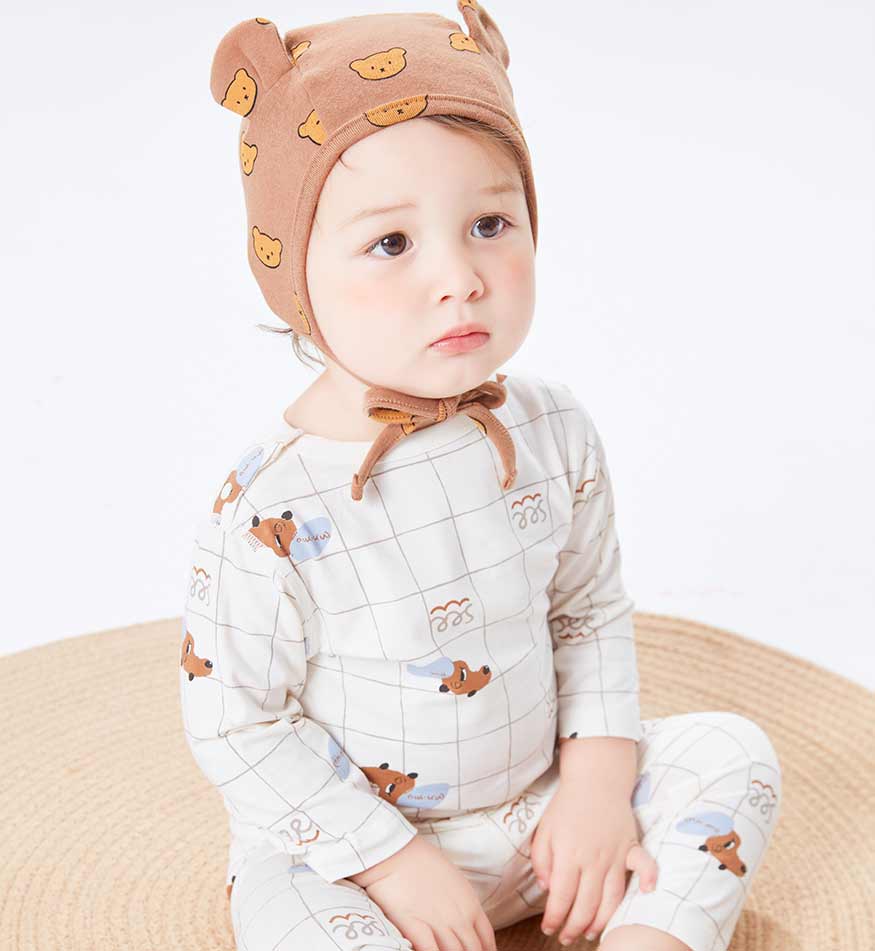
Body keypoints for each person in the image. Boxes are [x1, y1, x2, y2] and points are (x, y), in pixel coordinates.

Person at [179, 5, 783, 950]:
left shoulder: (551, 428)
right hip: (361, 855)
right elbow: (237, 725)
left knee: (731, 754)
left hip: (546, 816)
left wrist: (595, 788)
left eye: (490, 223)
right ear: (294, 275)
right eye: (392, 243)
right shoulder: (268, 505)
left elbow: (585, 609)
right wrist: (390, 860)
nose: (459, 277)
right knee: (286, 904)